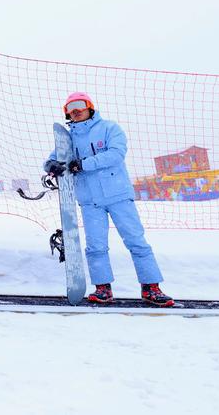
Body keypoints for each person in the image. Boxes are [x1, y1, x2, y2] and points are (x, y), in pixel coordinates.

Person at [44, 92, 174, 307]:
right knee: (96, 246)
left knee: (136, 241)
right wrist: (50, 166)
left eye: (79, 106)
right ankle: (102, 287)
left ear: (90, 107)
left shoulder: (109, 128)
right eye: (70, 108)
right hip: (89, 200)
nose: (75, 111)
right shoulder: (68, 138)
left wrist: (83, 164)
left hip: (118, 196)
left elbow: (116, 154)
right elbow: (52, 158)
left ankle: (151, 287)